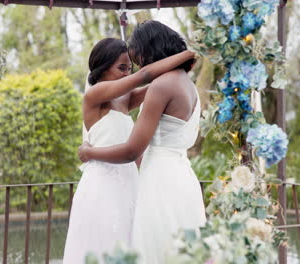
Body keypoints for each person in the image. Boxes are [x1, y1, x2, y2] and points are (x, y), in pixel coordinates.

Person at [78, 21, 206, 263]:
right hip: (161, 177)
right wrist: (187, 55)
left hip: (146, 179)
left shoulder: (134, 96)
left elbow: (146, 78)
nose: (130, 72)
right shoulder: (96, 95)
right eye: (123, 68)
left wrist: (90, 152)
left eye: (132, 65)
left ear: (150, 51)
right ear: (102, 67)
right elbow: (145, 77)